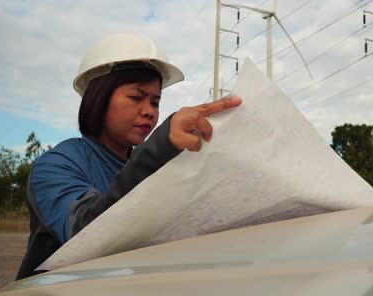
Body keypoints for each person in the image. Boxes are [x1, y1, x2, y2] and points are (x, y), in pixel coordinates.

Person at [16, 33, 241, 280]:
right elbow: (85, 233)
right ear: (99, 99)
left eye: (155, 102)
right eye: (136, 97)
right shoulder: (56, 165)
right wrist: (159, 149)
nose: (149, 112)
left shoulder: (157, 167)